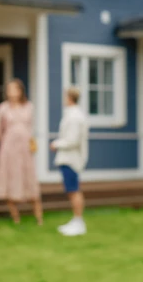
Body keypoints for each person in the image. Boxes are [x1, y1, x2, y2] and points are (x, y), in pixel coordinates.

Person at [0, 79, 43, 225]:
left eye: (14, 89)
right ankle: (16, 218)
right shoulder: (2, 108)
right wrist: (6, 143)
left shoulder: (28, 107)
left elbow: (31, 127)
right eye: (8, 89)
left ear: (20, 91)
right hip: (9, 148)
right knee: (10, 178)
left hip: (25, 149)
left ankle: (39, 218)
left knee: (29, 178)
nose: (11, 92)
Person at [50, 87, 89, 236]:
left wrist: (56, 144)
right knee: (72, 190)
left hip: (71, 159)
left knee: (74, 190)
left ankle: (78, 221)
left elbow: (72, 140)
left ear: (69, 97)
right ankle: (76, 220)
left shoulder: (74, 117)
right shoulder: (74, 115)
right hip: (70, 158)